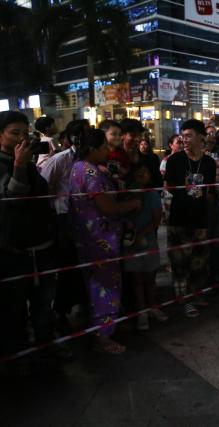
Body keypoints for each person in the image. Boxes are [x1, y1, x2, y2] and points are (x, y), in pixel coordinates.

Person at [69, 128, 141, 354]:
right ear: (92, 149)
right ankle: (103, 337)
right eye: (103, 148)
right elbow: (107, 207)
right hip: (101, 239)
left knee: (94, 285)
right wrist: (133, 204)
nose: (107, 152)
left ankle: (103, 329)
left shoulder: (77, 167)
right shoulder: (90, 172)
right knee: (106, 286)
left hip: (86, 238)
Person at [0, 111, 59, 365]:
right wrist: (19, 165)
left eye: (25, 133)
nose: (22, 139)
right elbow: (13, 199)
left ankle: (46, 349)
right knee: (14, 309)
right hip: (13, 251)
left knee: (44, 305)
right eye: (15, 133)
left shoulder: (30, 162)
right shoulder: (10, 163)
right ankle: (20, 356)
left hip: (43, 246)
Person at [39, 120, 89, 333]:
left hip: (86, 218)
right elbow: (44, 189)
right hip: (63, 218)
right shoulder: (59, 160)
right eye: (79, 135)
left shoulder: (88, 160)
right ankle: (60, 311)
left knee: (83, 264)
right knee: (67, 266)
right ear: (69, 138)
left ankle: (82, 303)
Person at [164, 119, 216, 318]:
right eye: (182, 136)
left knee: (199, 261)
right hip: (178, 218)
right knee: (179, 262)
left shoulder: (209, 162)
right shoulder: (175, 160)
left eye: (188, 136)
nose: (184, 140)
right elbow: (168, 186)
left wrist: (201, 196)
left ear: (201, 137)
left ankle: (195, 295)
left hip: (200, 219)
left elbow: (210, 190)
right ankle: (183, 300)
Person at [123, 164, 167, 330]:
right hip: (130, 242)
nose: (141, 173)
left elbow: (156, 219)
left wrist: (141, 234)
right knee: (137, 280)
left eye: (145, 171)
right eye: (138, 171)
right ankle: (141, 312)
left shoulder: (152, 195)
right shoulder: (126, 194)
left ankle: (153, 307)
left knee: (149, 278)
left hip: (148, 240)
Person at [120, 118, 162, 188]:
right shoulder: (114, 159)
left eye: (139, 135)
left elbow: (159, 184)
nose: (137, 138)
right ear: (122, 136)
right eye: (133, 135)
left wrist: (148, 180)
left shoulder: (151, 159)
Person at [99, 120, 129, 188]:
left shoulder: (122, 153)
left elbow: (126, 170)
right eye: (114, 134)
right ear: (103, 135)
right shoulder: (98, 153)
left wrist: (123, 171)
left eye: (120, 134)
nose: (118, 137)